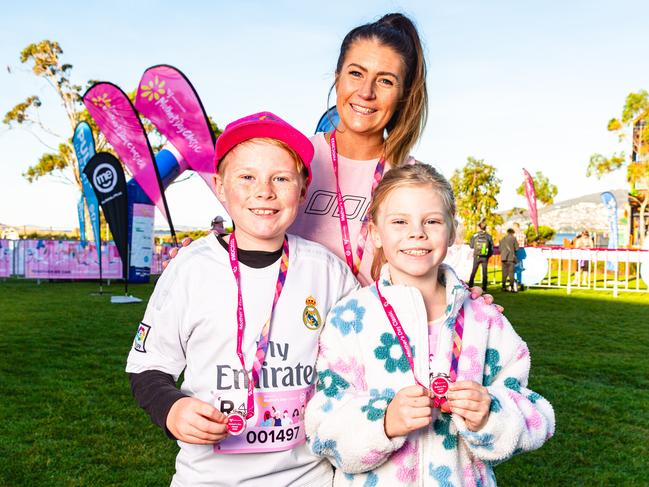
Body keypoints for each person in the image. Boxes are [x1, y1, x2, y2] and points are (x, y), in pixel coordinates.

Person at [126, 112, 359, 486]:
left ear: (302, 190)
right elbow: (147, 365)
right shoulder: (190, 268)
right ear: (220, 186)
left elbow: (371, 354)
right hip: (207, 479)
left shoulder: (327, 272)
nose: (264, 191)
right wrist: (171, 407)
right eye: (247, 177)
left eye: (281, 179)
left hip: (307, 477)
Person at [305, 164, 555, 486]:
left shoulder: (484, 319)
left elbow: (539, 417)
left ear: (452, 231)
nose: (417, 233)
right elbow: (322, 430)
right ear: (375, 233)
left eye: (432, 221)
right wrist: (383, 423)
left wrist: (491, 413)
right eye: (399, 221)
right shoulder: (350, 319)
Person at [468, 220, 494, 291]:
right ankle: (484, 288)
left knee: (473, 272)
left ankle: (470, 286)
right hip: (485, 257)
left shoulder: (475, 235)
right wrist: (488, 255)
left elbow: (471, 246)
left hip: (477, 256)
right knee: (485, 272)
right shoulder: (488, 236)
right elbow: (492, 248)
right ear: (485, 228)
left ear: (479, 227)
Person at [499, 228, 519, 292]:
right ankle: (512, 288)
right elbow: (517, 248)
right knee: (511, 273)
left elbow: (500, 249)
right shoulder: (513, 238)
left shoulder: (503, 239)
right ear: (512, 233)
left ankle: (503, 287)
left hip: (503, 258)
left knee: (504, 273)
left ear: (507, 232)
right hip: (511, 258)